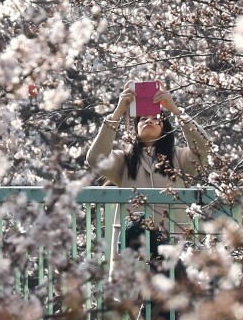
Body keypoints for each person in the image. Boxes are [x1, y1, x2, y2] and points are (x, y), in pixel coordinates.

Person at [86, 81, 211, 279]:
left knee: (167, 303)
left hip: (172, 246)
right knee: (135, 303)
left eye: (156, 118)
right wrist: (118, 113)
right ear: (135, 128)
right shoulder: (124, 161)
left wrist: (176, 110)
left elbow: (204, 149)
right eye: (142, 118)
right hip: (133, 254)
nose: (148, 121)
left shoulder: (179, 158)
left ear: (165, 126)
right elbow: (95, 159)